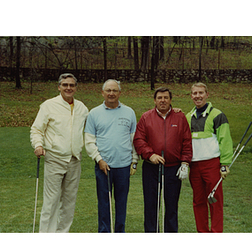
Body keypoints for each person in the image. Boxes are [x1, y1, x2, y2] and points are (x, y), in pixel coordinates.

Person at [30, 73, 89, 233]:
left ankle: (62, 235)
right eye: (65, 85)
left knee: (69, 202)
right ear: (59, 87)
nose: (68, 88)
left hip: (75, 159)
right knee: (51, 202)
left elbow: (90, 129)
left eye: (71, 85)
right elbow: (36, 129)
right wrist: (38, 145)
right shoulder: (48, 106)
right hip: (54, 158)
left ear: (76, 88)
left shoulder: (82, 108)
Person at [133, 87, 192, 233]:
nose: (163, 100)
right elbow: (139, 139)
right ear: (155, 100)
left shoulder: (180, 117)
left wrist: (185, 163)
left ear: (170, 100)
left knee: (171, 206)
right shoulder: (146, 117)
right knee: (151, 205)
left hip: (173, 168)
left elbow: (186, 141)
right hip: (151, 168)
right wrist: (150, 154)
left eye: (166, 97)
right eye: (159, 98)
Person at [84, 79, 138, 233]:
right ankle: (105, 232)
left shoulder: (129, 112)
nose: (111, 93)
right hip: (103, 166)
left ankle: (120, 232)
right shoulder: (94, 113)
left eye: (115, 90)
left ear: (120, 93)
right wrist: (99, 159)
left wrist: (134, 160)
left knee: (121, 203)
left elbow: (134, 139)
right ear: (102, 92)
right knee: (104, 203)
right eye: (108, 90)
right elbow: (89, 141)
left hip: (123, 166)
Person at [185, 82, 233, 233]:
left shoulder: (217, 115)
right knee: (198, 201)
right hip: (194, 166)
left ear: (207, 95)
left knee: (215, 200)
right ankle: (202, 232)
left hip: (211, 164)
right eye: (195, 93)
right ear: (191, 96)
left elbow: (225, 140)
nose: (198, 96)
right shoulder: (187, 117)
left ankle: (216, 233)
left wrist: (225, 164)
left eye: (201, 93)